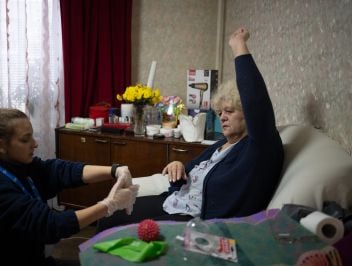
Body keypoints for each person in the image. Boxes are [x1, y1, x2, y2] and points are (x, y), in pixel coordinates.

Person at [97, 27, 284, 232]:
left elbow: (256, 101)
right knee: (108, 213)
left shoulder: (258, 148)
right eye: (219, 112)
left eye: (229, 111)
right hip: (175, 202)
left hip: (194, 220)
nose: (222, 117)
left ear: (248, 114)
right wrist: (178, 164)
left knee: (114, 226)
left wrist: (239, 45)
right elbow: (190, 170)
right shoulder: (222, 144)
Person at [0, 108, 139, 266]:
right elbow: (50, 225)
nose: (34, 144)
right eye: (25, 140)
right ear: (0, 145)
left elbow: (59, 171)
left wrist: (114, 170)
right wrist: (109, 205)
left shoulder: (20, 165)